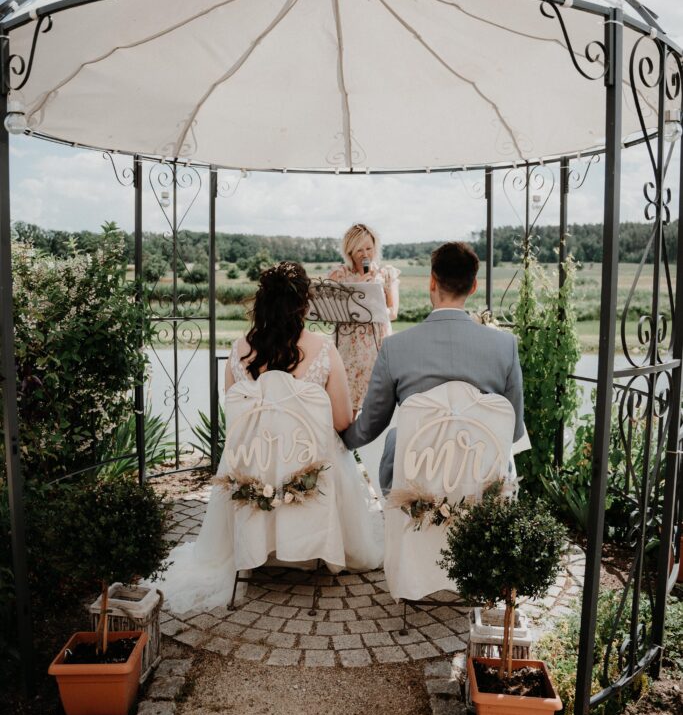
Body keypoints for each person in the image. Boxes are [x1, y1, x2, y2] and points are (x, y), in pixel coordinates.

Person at [150, 262, 383, 614]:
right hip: (310, 470)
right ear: (304, 303)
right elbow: (341, 420)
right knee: (334, 451)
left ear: (260, 303)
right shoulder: (323, 349)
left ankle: (260, 545)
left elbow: (237, 421)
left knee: (255, 451)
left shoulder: (238, 349)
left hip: (252, 470)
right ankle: (314, 546)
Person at [341, 241, 525, 492]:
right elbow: (513, 431)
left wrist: (341, 439)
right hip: (482, 486)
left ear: (432, 282)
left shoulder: (395, 347)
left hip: (416, 488)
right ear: (473, 286)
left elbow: (370, 425)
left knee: (396, 439)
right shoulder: (506, 345)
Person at [328, 223, 400, 413]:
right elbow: (331, 310)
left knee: (374, 407)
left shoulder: (386, 274)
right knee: (346, 405)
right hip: (347, 346)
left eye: (369, 248)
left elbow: (393, 312)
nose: (365, 254)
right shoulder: (339, 275)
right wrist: (357, 288)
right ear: (349, 251)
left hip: (376, 345)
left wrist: (375, 304)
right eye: (359, 249)